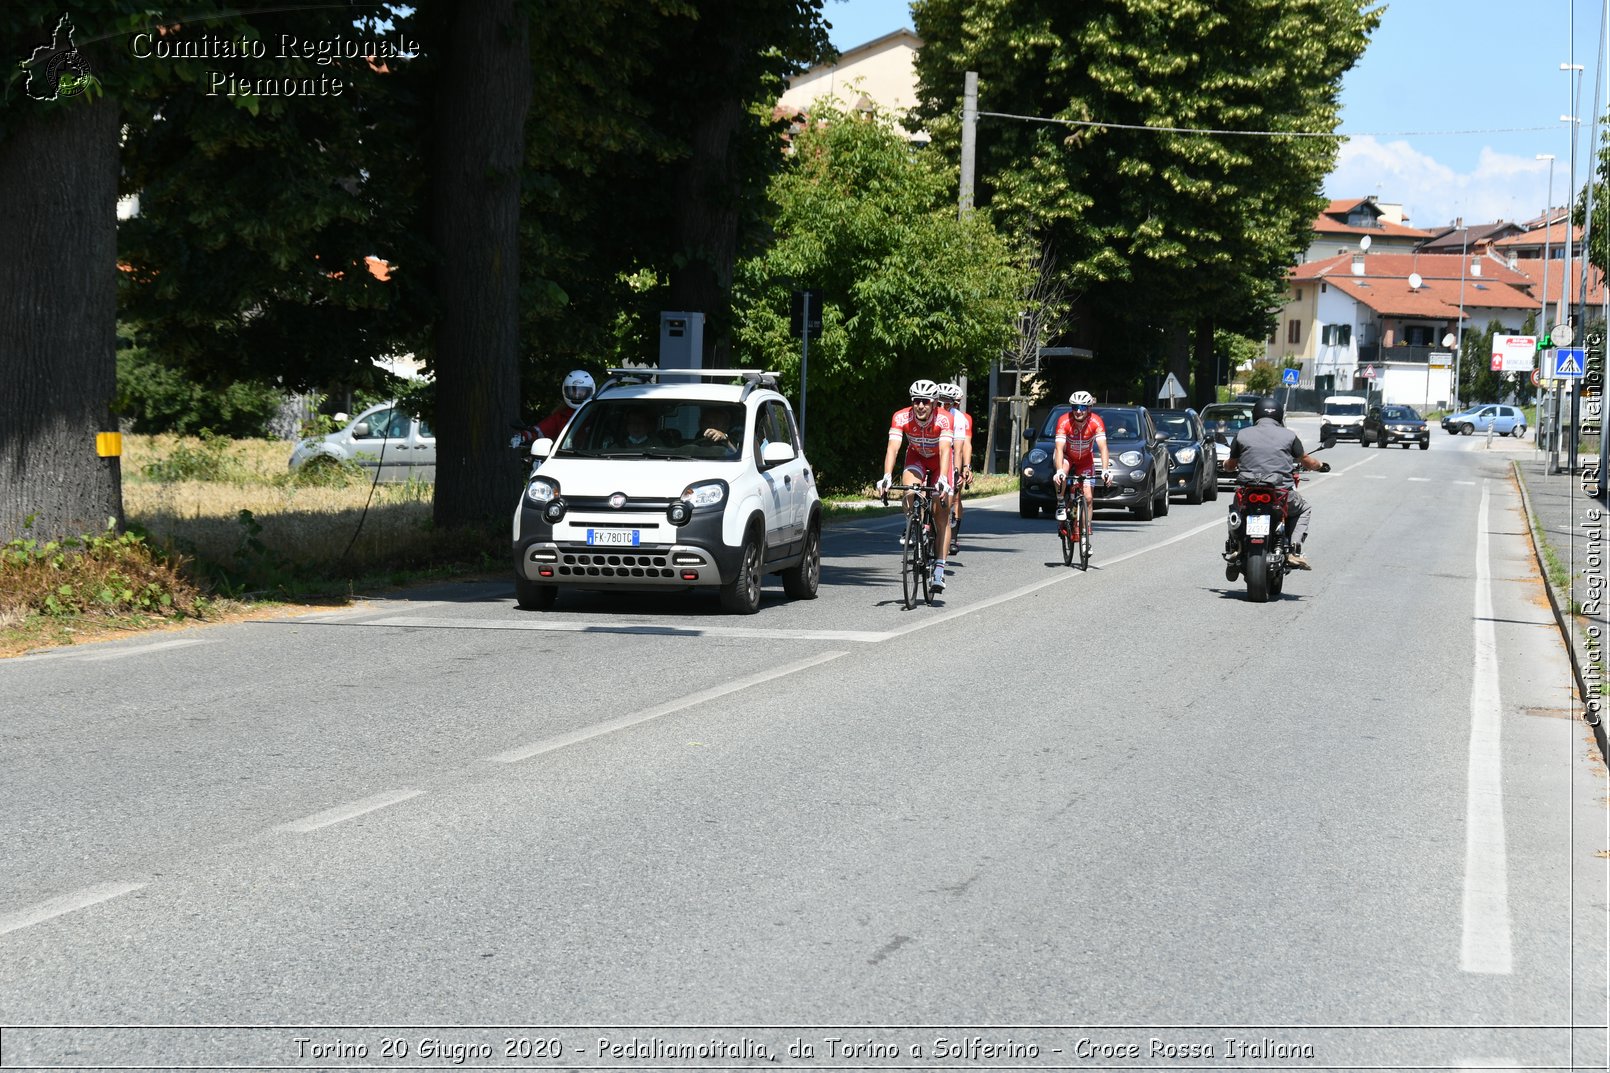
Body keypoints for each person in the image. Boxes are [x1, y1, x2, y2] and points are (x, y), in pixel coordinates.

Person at [1220, 396, 1327, 577]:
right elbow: (1307, 461)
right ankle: (1293, 550)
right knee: (1304, 508)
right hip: (1279, 494)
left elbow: (1231, 465)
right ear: (1279, 416)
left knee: (1235, 510)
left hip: (1248, 492)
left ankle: (1235, 546)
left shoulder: (1243, 434)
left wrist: (1224, 465)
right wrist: (1320, 465)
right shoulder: (1290, 436)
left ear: (1256, 414)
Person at [876, 379, 954, 593]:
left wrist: (944, 480)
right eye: (916, 401)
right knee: (910, 490)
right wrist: (886, 476)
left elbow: (946, 450)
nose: (920, 405)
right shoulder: (901, 417)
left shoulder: (945, 419)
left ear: (935, 403)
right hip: (917, 457)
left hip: (940, 462)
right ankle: (913, 524)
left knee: (941, 513)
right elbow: (893, 448)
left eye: (925, 402)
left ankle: (939, 568)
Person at [1051, 390, 1112, 535]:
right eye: (1075, 407)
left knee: (1089, 498)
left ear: (1089, 408)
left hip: (1085, 460)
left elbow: (1103, 448)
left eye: (1083, 407)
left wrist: (1105, 470)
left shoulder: (1096, 421)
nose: (1078, 411)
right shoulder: (1064, 420)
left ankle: (1085, 530)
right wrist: (1059, 470)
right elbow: (1059, 448)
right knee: (1062, 474)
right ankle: (1060, 502)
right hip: (1066, 456)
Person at [936, 382, 973, 555]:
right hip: (932, 454)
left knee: (955, 497)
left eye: (952, 403)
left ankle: (953, 537)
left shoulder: (962, 418)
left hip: (950, 456)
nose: (945, 406)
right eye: (940, 402)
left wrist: (963, 468)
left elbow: (963, 446)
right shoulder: (932, 413)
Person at [535, 369, 596, 441]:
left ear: (591, 391)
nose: (577, 395)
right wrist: (523, 435)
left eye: (582, 391)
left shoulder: (597, 414)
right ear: (565, 391)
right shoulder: (561, 416)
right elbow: (540, 430)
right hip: (565, 452)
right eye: (573, 391)